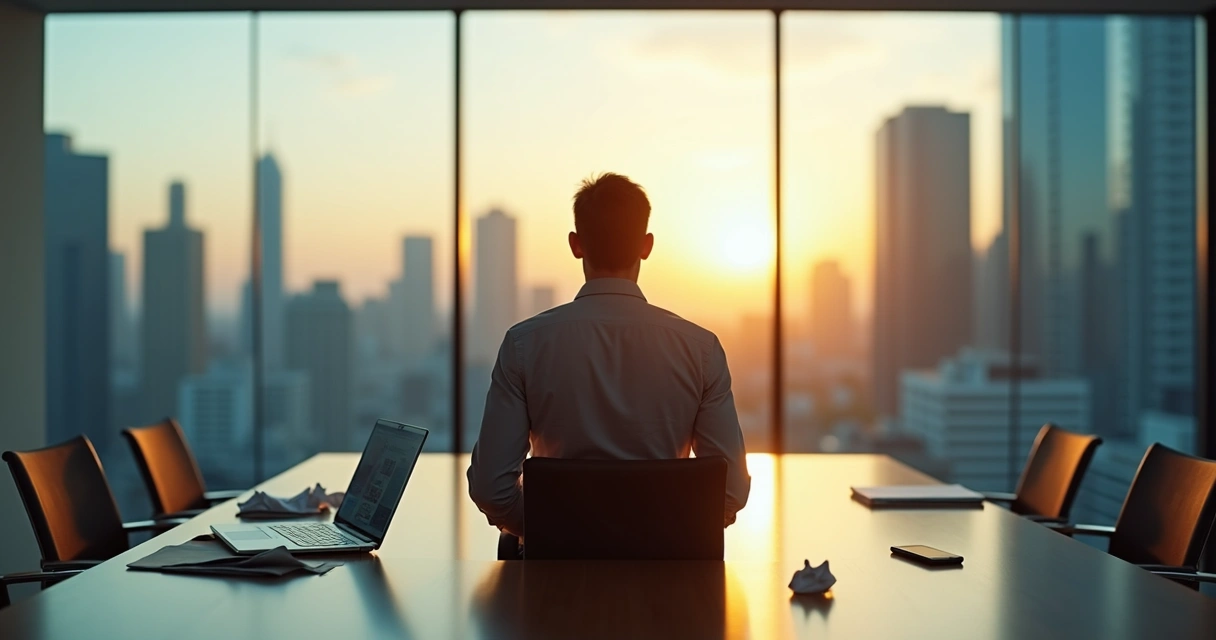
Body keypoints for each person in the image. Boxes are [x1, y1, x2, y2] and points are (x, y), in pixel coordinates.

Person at [466, 173, 751, 538]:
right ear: (646, 246)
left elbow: (492, 488)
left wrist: (554, 528)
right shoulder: (700, 349)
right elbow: (731, 490)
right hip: (668, 579)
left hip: (552, 583)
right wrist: (666, 532)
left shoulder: (524, 344)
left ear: (576, 244)